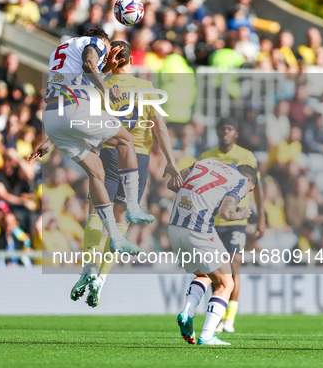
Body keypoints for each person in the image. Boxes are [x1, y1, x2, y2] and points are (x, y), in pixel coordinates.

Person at [71, 40, 182, 308]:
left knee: (96, 212)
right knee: (121, 220)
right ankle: (102, 279)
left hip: (109, 153)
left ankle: (88, 267)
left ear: (113, 58)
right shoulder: (147, 89)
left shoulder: (102, 86)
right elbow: (161, 130)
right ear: (131, 59)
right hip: (139, 158)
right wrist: (171, 162)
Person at [30, 27, 154, 256]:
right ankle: (133, 207)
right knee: (126, 140)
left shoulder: (61, 51)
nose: (105, 58)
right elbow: (89, 64)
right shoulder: (93, 43)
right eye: (106, 53)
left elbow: (84, 77)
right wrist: (106, 89)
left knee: (97, 172)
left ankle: (115, 238)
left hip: (54, 118)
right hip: (74, 111)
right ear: (103, 41)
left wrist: (48, 141)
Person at [168, 159, 258, 346]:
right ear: (249, 182)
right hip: (198, 230)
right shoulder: (240, 180)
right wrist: (240, 213)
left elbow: (172, 184)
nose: (245, 193)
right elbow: (226, 212)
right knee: (227, 283)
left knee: (204, 274)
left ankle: (187, 312)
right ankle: (207, 335)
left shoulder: (204, 162)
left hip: (174, 227)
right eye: (248, 192)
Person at [199, 117, 265, 334]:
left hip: (236, 220)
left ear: (236, 134)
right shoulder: (207, 156)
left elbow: (258, 186)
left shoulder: (246, 156)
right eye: (222, 128)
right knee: (215, 271)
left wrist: (261, 216)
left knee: (234, 264)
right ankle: (218, 315)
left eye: (230, 128)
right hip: (212, 220)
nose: (225, 132)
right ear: (217, 132)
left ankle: (230, 319)